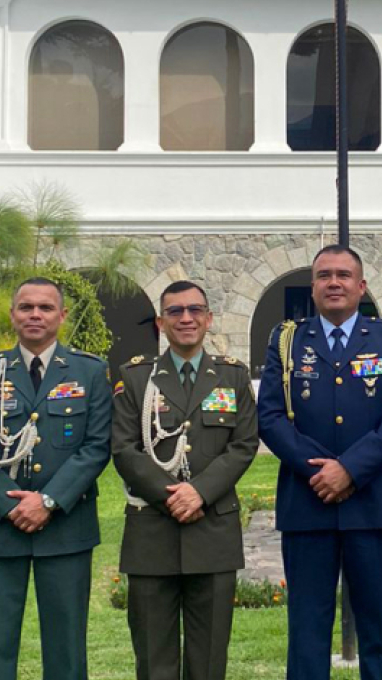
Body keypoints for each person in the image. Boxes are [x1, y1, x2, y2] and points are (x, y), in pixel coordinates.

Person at [256, 244, 382, 680]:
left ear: (361, 286)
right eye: (324, 275)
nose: (334, 282)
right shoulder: (287, 341)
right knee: (307, 626)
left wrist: (349, 470)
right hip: (308, 504)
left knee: (378, 626)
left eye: (343, 275)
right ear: (312, 288)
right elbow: (269, 417)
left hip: (372, 505)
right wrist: (318, 472)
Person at [0, 277, 112, 680]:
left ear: (62, 315)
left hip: (65, 525)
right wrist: (11, 507)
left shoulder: (90, 371)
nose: (35, 315)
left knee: (66, 648)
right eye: (26, 307)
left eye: (45, 307)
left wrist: (47, 502)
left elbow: (96, 446)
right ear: (13, 316)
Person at [113, 280, 259, 680]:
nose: (186, 318)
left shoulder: (232, 376)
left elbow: (244, 445)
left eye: (195, 310)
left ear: (209, 319)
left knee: (209, 659)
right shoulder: (136, 376)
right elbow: (124, 449)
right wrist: (172, 496)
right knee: (153, 656)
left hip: (212, 528)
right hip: (152, 532)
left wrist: (199, 492)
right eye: (175, 311)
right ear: (161, 322)